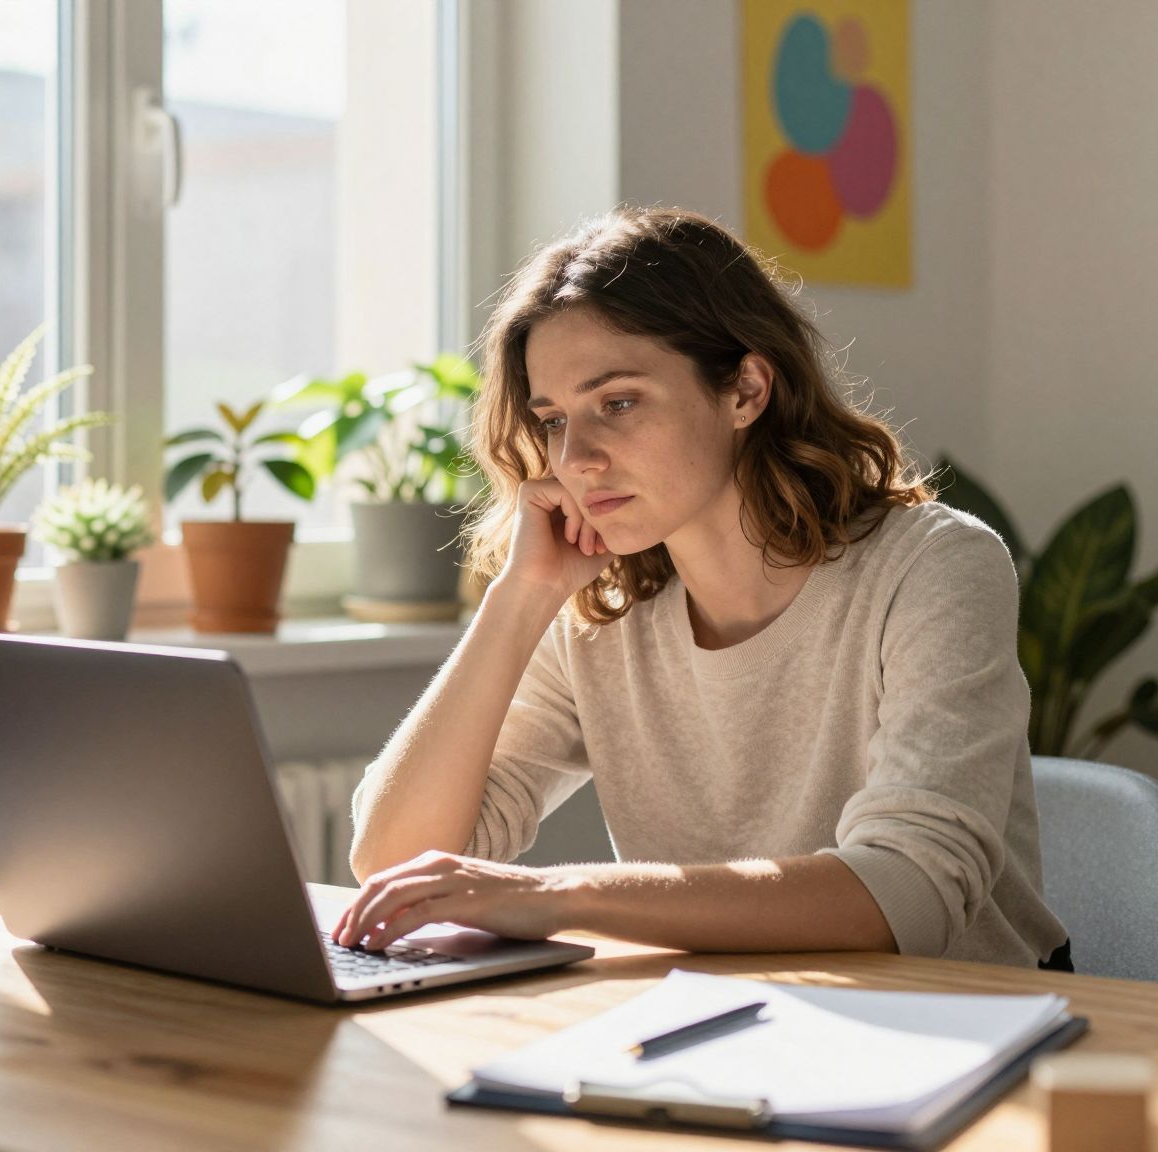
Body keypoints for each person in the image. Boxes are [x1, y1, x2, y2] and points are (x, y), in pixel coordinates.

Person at [333, 206, 1070, 970]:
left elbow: (908, 890)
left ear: (746, 390)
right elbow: (393, 861)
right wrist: (518, 599)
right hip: (728, 1032)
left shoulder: (934, 567)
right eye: (553, 420)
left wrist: (562, 895)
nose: (576, 457)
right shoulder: (599, 613)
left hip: (969, 1030)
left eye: (617, 403)